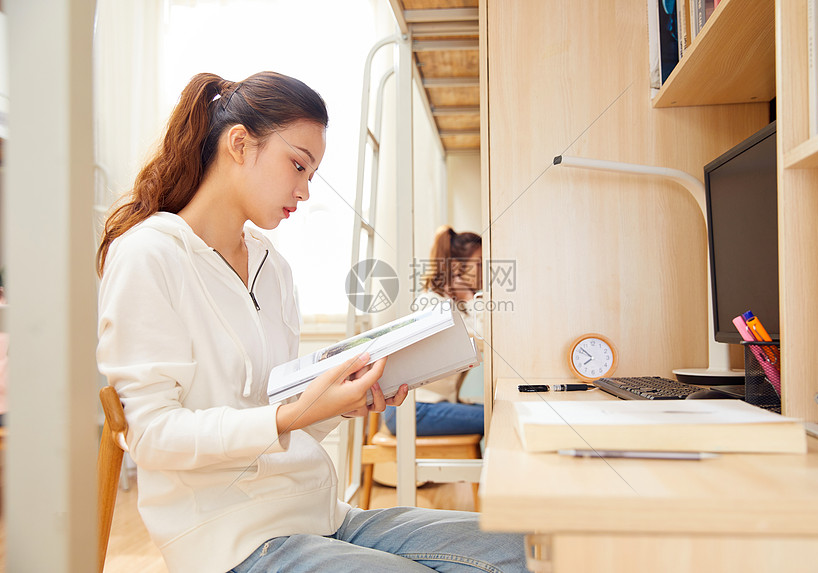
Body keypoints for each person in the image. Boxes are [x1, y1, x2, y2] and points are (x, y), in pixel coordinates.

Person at [96, 71, 526, 573]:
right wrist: (290, 417)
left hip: (317, 513)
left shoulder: (271, 266)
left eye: (311, 175)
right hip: (230, 536)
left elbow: (279, 418)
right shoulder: (149, 254)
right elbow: (151, 436)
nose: (303, 191)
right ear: (239, 144)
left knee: (527, 548)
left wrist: (341, 403)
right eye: (297, 165)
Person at [384, 226, 485, 437]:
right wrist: (469, 296)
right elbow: (484, 341)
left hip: (432, 406)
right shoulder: (432, 303)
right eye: (479, 264)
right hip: (415, 410)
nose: (484, 271)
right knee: (495, 417)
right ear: (457, 267)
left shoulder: (454, 305)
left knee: (497, 410)